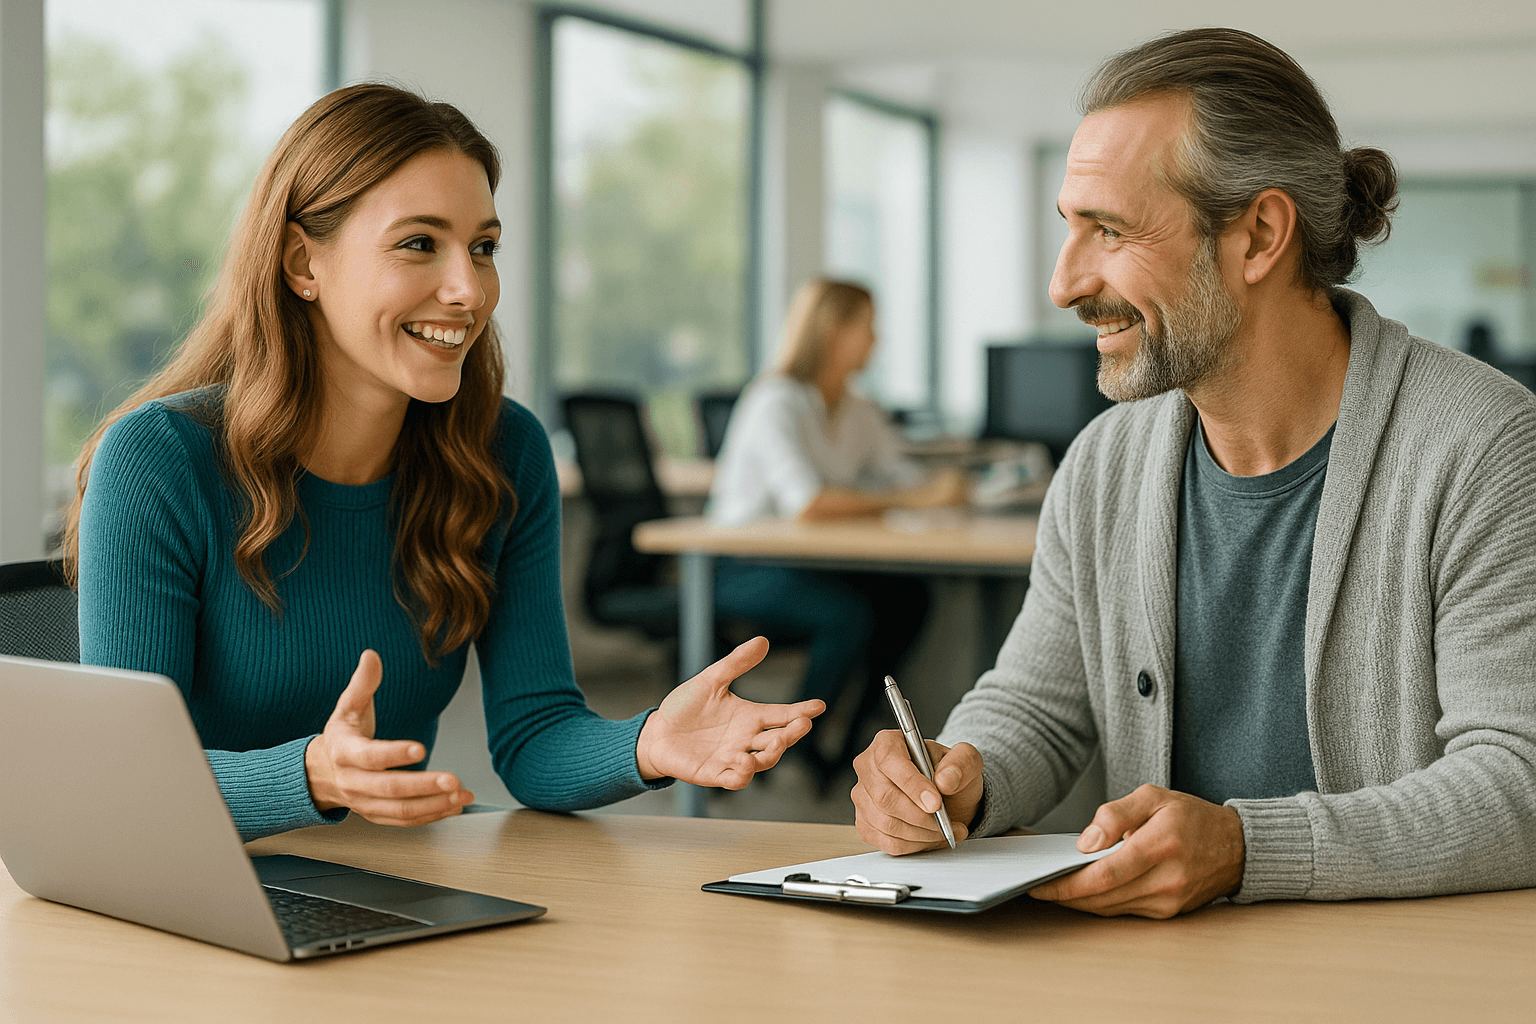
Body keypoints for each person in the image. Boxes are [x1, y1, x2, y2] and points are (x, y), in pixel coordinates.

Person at [852, 28, 1536, 917]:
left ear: (1259, 235)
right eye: (1070, 227)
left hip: (1392, 969)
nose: (1063, 283)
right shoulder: (1104, 463)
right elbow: (1039, 705)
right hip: (1165, 969)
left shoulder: (1485, 447)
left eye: (1110, 230)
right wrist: (958, 776)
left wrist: (1247, 848)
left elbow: (1519, 778)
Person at [63, 84, 824, 843]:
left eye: (483, 248)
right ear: (302, 262)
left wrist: (647, 742)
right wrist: (312, 777)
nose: (469, 291)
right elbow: (121, 779)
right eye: (419, 244)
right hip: (191, 883)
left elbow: (536, 737)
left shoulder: (502, 455)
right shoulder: (159, 460)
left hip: (391, 879)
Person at [708, 278, 966, 788]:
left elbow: (900, 473)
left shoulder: (856, 406)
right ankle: (793, 746)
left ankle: (850, 743)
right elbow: (808, 502)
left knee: (908, 600)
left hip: (809, 564)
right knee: (848, 614)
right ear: (832, 331)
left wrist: (939, 486)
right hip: (741, 567)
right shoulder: (774, 400)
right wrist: (913, 499)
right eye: (866, 326)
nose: (876, 340)